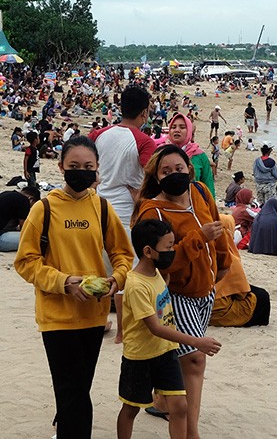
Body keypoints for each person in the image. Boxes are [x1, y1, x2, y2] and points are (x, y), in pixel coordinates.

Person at [14, 136, 135, 437]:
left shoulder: (103, 208)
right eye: (74, 166)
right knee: (75, 393)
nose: (81, 171)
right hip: (57, 317)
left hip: (93, 317)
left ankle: (63, 424)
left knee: (78, 387)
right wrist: (63, 282)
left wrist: (116, 280)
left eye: (88, 166)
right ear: (61, 167)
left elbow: (122, 254)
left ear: (97, 170)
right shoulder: (44, 209)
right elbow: (26, 262)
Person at [134, 145, 232, 439]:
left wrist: (223, 262)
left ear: (189, 169)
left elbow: (217, 229)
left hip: (206, 289)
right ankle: (191, 433)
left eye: (179, 169)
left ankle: (162, 400)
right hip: (176, 292)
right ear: (157, 176)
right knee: (194, 359)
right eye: (166, 171)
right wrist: (197, 239)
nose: (174, 174)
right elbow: (165, 262)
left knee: (179, 356)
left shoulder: (200, 191)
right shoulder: (154, 210)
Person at [118, 219, 222, 439]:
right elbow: (154, 327)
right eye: (167, 247)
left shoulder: (157, 274)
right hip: (140, 358)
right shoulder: (136, 285)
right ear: (148, 251)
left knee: (180, 407)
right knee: (131, 408)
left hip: (166, 353)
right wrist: (196, 341)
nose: (172, 251)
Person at [88, 85, 156, 226]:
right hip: (127, 213)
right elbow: (154, 176)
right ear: (144, 113)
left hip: (98, 207)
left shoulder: (98, 135)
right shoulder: (144, 142)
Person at [211, 214, 271, 326]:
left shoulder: (206, 248)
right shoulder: (228, 256)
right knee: (262, 297)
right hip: (218, 309)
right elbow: (241, 293)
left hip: (200, 304)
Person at [163, 113, 216, 199]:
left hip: (195, 205)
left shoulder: (200, 156)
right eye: (173, 127)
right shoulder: (161, 153)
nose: (177, 130)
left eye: (182, 127)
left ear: (189, 131)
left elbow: (208, 187)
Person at [0, 186, 40, 252]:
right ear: (31, 199)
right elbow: (24, 229)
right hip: (1, 241)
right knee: (34, 238)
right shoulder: (24, 201)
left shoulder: (6, 194)